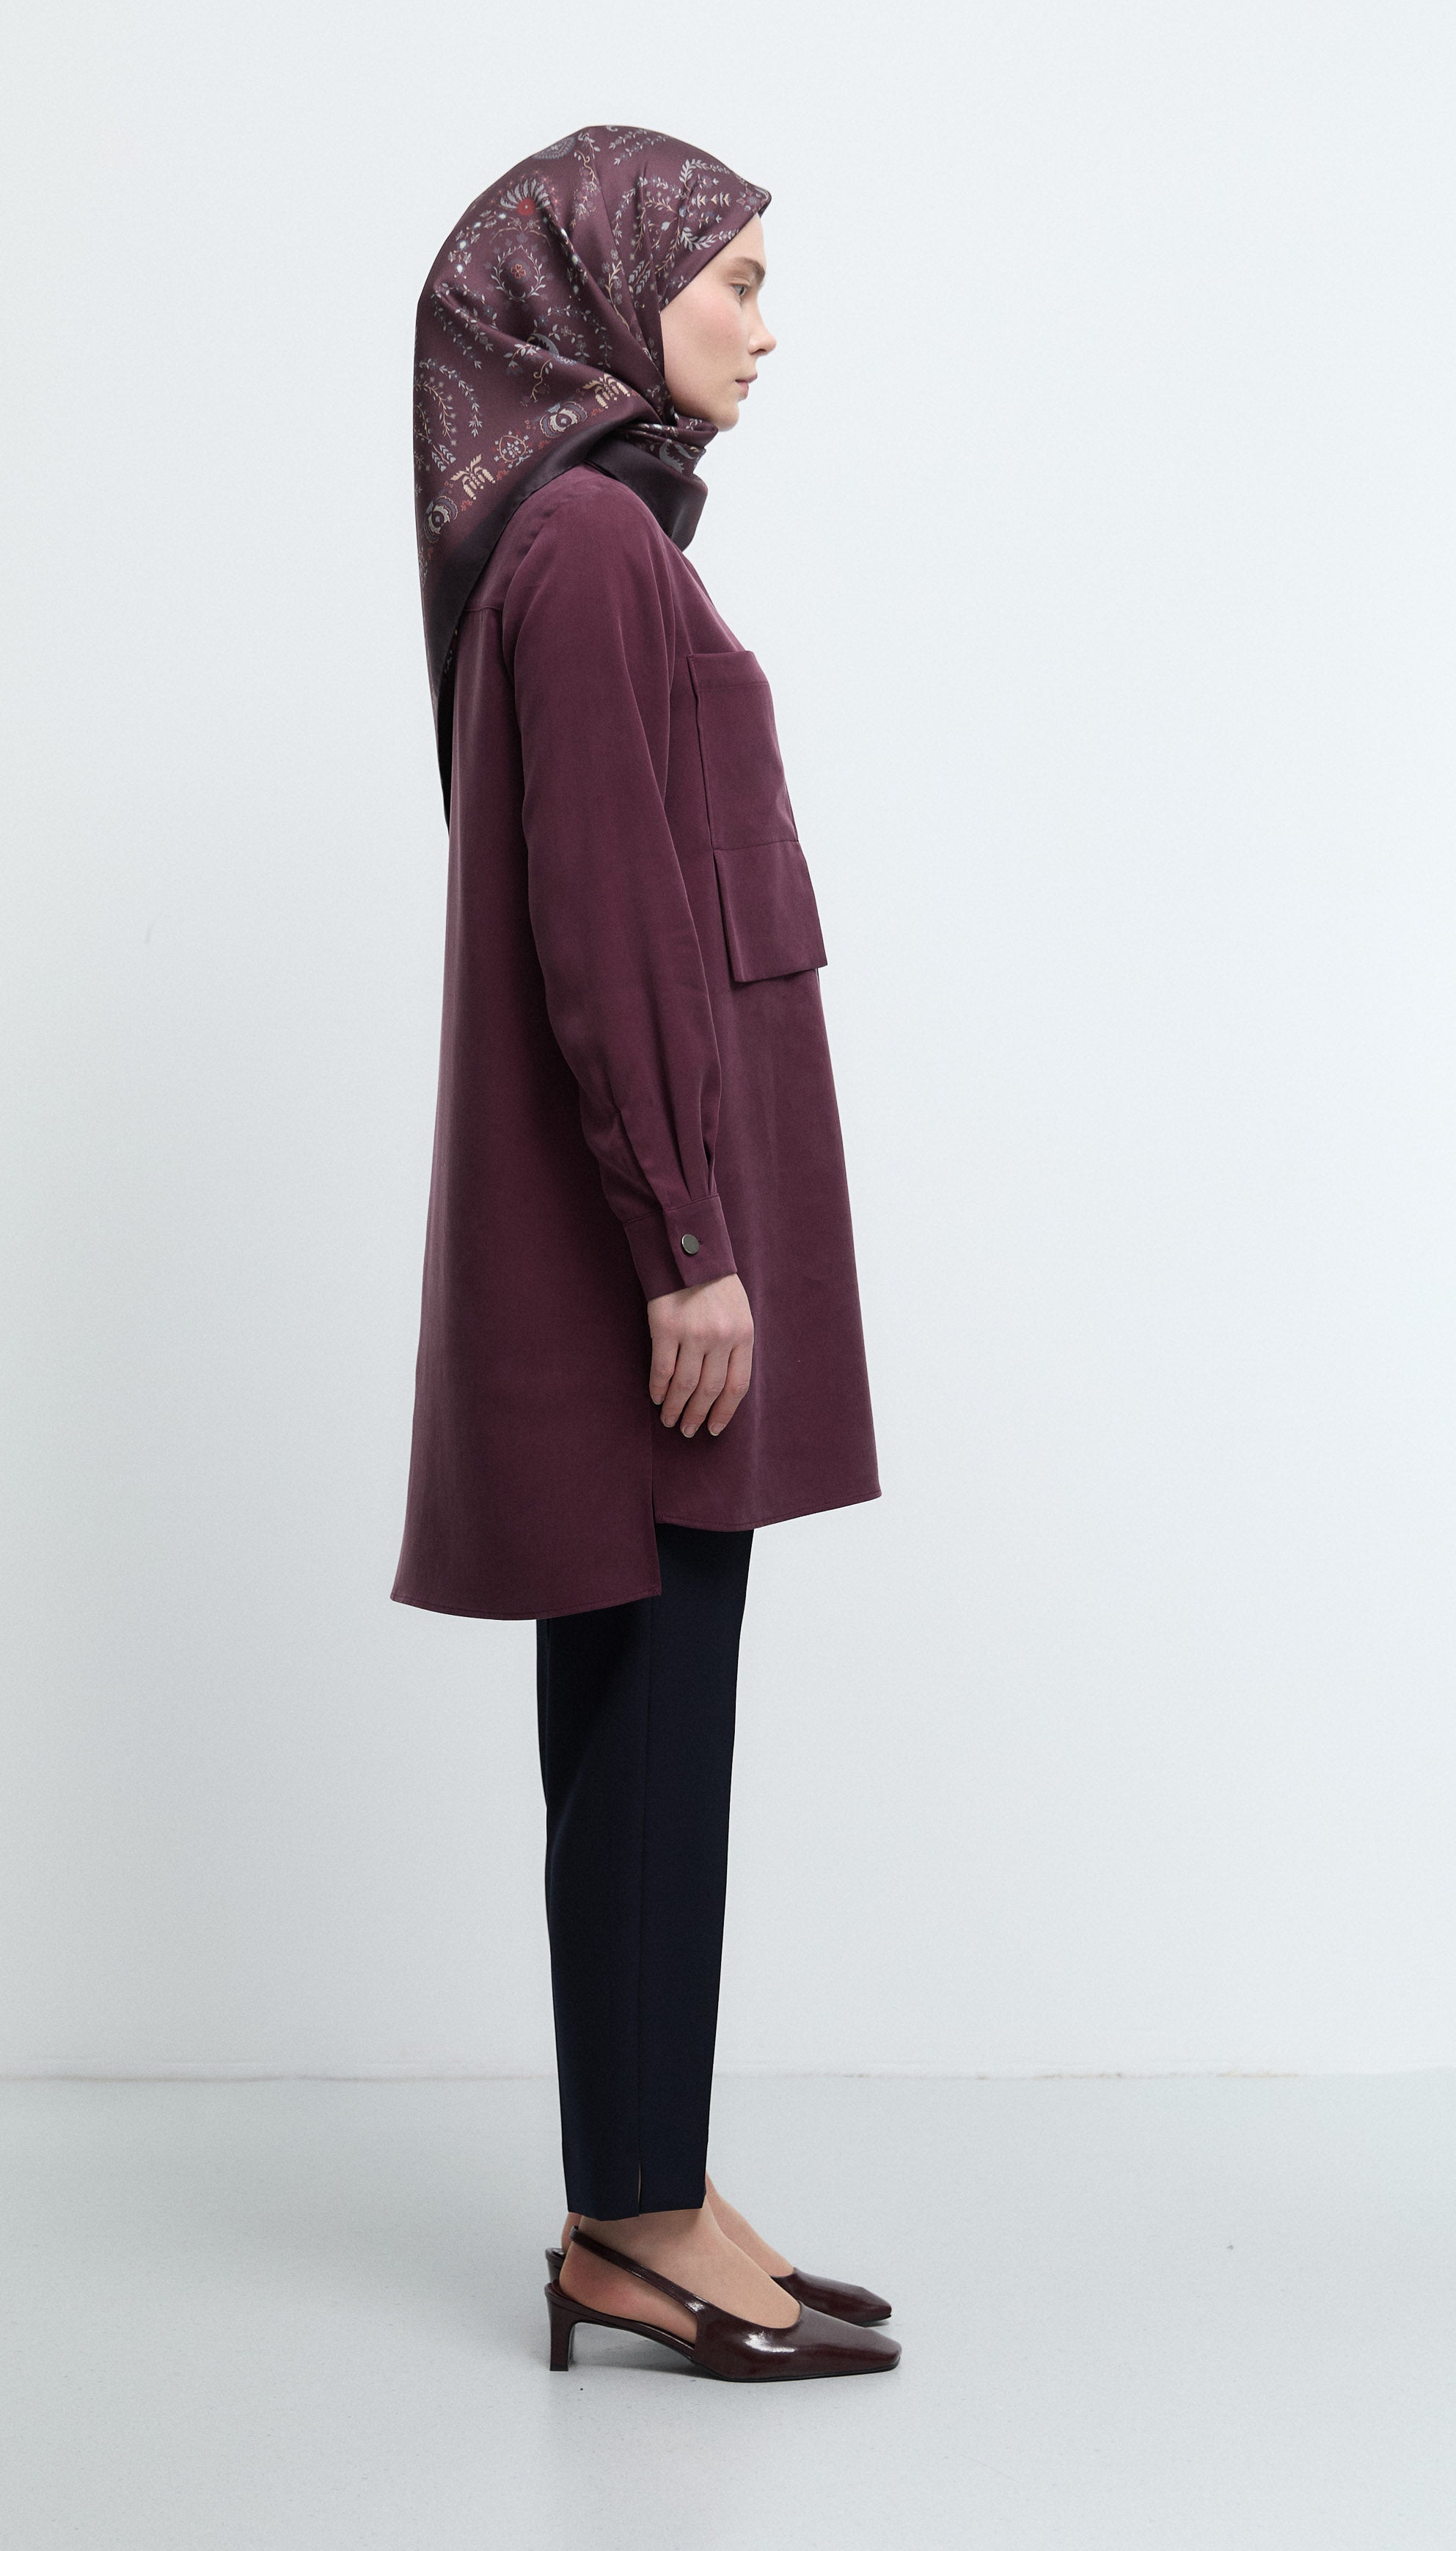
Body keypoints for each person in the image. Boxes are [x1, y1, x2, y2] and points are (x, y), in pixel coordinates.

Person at [394, 126, 897, 2384]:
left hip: (660, 1223)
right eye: (739, 282)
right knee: (654, 1697)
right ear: (616, 295)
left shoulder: (586, 535)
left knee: (643, 1696)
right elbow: (602, 920)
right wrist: (688, 1239)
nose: (769, 329)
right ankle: (633, 2216)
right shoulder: (594, 546)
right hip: (655, 1248)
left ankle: (645, 2186)